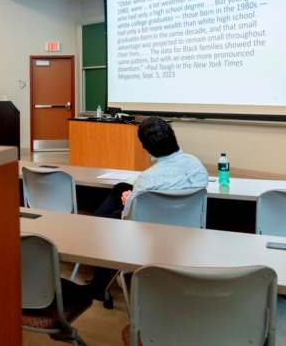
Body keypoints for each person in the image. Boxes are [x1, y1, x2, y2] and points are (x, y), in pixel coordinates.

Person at [88, 116, 208, 298]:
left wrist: (128, 201)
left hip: (150, 234)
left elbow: (128, 218)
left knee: (105, 221)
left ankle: (99, 284)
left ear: (146, 148)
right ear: (173, 137)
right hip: (186, 230)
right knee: (120, 188)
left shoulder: (148, 178)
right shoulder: (196, 165)